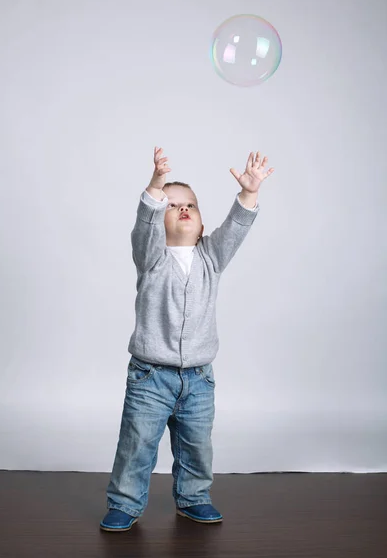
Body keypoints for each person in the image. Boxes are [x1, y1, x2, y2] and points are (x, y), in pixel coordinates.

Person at [100, 147, 274, 531]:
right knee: (137, 444)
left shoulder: (211, 256)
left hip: (198, 378)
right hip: (150, 377)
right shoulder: (151, 257)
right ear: (159, 219)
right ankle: (125, 503)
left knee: (197, 444)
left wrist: (248, 193)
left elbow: (236, 228)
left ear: (200, 221)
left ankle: (193, 498)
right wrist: (155, 187)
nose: (182, 209)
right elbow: (143, 225)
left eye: (190, 206)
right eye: (171, 204)